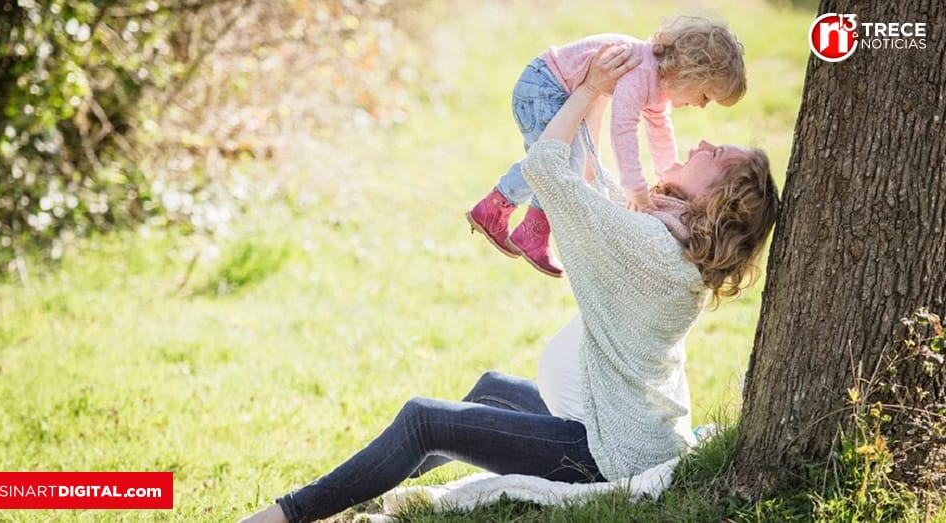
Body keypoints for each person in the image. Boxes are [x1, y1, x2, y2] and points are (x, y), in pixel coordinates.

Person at [242, 44, 779, 523]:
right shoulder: (667, 238)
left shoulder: (649, 247)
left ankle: (286, 515)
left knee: (424, 419)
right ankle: (361, 490)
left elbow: (548, 167)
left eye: (715, 155)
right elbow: (591, 182)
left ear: (717, 198)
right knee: (490, 388)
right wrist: (598, 92)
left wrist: (587, 90)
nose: (702, 141)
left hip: (604, 454)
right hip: (611, 424)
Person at [466, 16, 747, 278]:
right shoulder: (642, 71)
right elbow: (623, 128)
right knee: (557, 161)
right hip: (543, 88)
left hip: (550, 89)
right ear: (691, 73)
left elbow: (660, 131)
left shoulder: (657, 83)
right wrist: (635, 186)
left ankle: (516, 221)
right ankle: (516, 220)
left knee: (560, 163)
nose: (702, 106)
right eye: (705, 96)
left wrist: (668, 176)